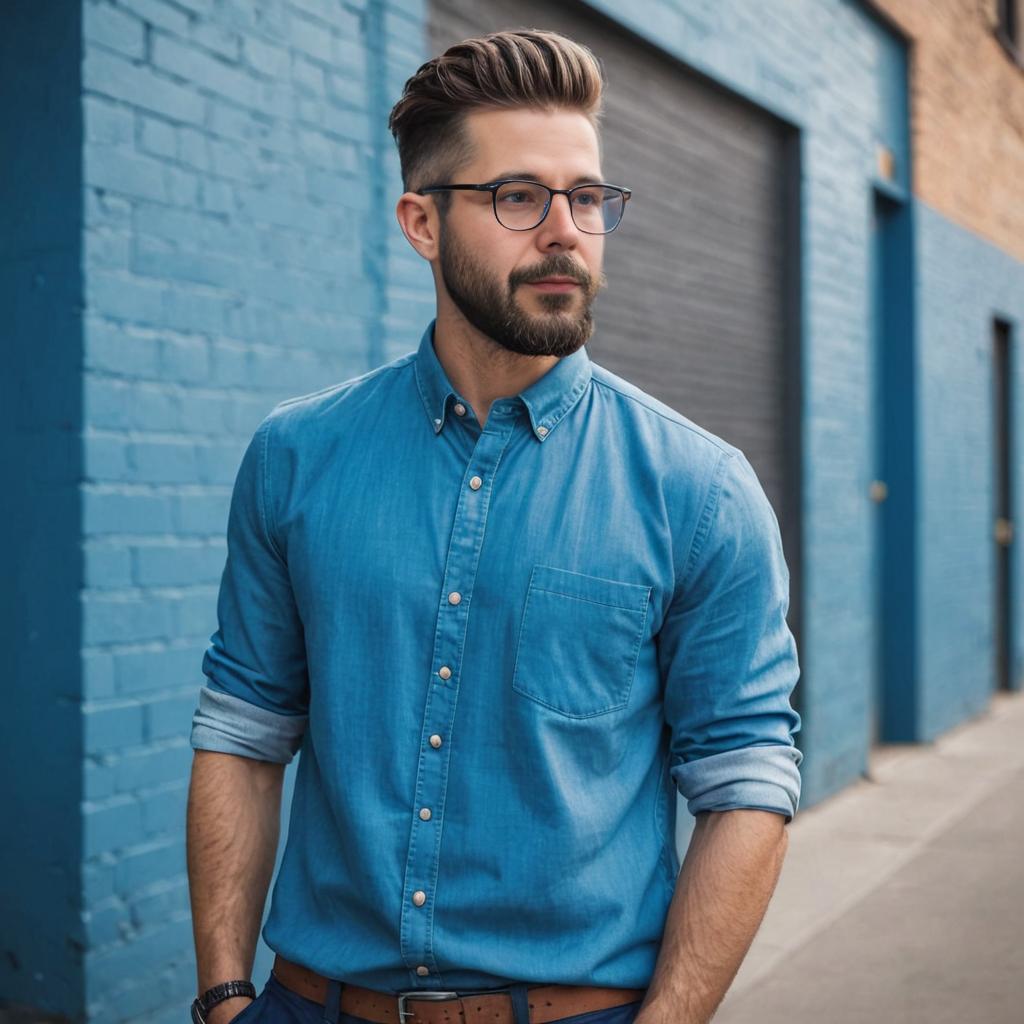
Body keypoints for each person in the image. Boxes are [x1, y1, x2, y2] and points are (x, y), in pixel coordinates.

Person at [186, 27, 803, 1024]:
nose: (565, 230)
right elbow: (243, 731)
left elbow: (745, 781)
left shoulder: (700, 490)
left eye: (588, 197)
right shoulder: (296, 457)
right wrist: (222, 994)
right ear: (420, 223)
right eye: (517, 196)